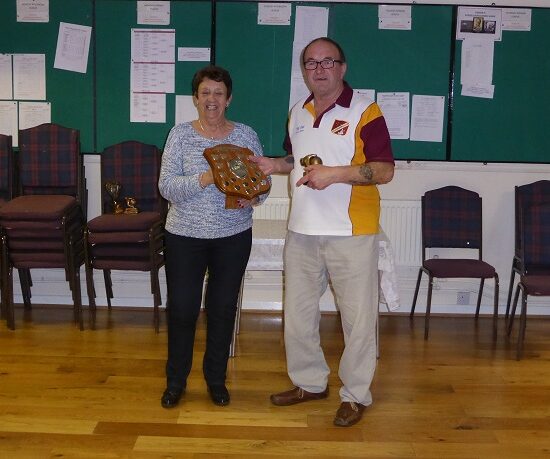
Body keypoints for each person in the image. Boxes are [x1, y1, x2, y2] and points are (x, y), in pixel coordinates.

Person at [249, 37, 394, 427]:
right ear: (304, 70)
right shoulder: (298, 110)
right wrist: (271, 165)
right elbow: (296, 158)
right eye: (311, 63)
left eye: (327, 61)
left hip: (352, 231)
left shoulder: (366, 111)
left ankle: (355, 394)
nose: (319, 69)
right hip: (302, 230)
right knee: (297, 316)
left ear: (342, 68)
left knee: (358, 320)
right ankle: (309, 383)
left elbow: (383, 170)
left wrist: (337, 174)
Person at [158, 65, 269, 409]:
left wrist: (256, 196)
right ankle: (176, 381)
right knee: (182, 309)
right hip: (184, 237)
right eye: (205, 93)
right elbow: (167, 187)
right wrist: (207, 178)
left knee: (222, 309)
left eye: (218, 93)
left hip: (233, 236)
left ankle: (216, 380)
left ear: (229, 99)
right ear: (195, 98)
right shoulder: (180, 135)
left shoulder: (247, 135)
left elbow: (262, 184)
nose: (211, 99)